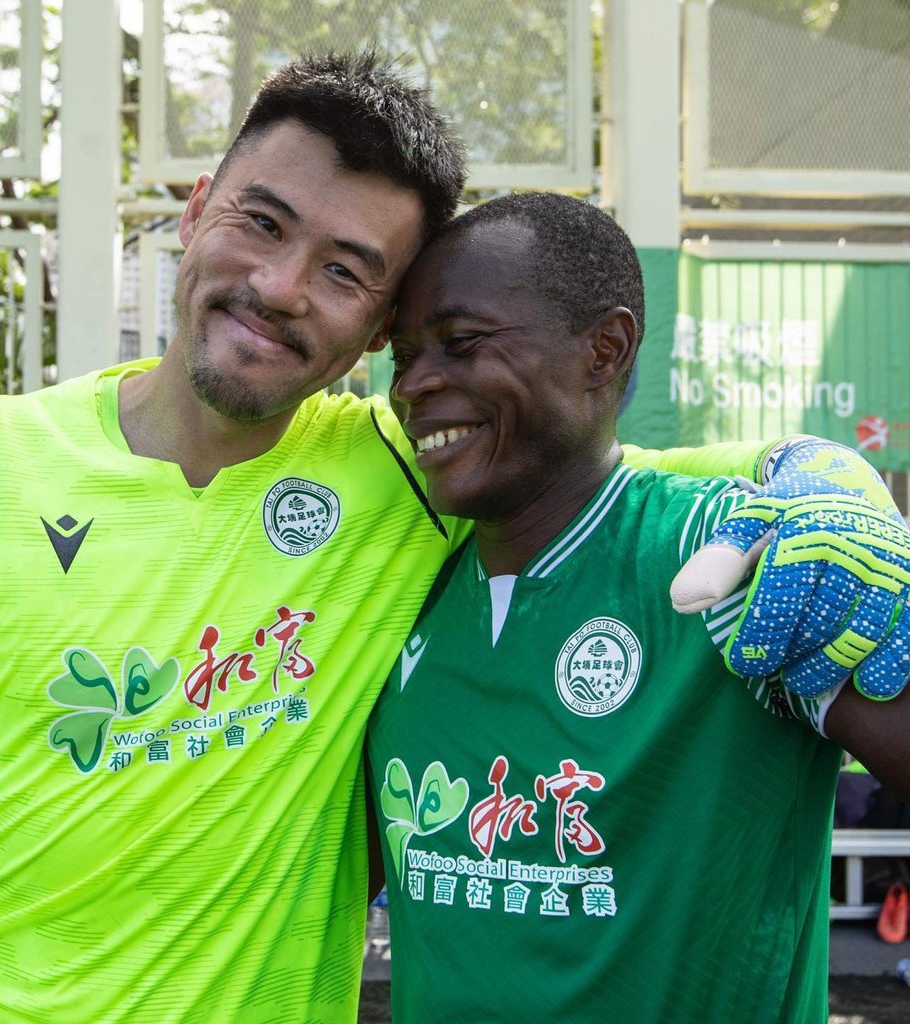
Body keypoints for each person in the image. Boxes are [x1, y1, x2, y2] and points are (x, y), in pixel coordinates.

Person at [0, 52, 907, 1023]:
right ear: (198, 210)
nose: (282, 287)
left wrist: (822, 474)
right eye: (261, 222)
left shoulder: (408, 473)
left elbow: (606, 472)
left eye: (343, 271)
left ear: (374, 328)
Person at [365, 191, 910, 1024]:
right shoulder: (407, 581)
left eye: (462, 343)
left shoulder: (724, 560)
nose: (417, 385)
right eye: (403, 356)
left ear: (604, 350)